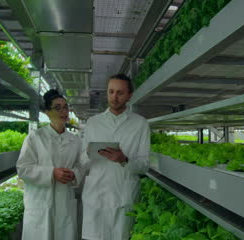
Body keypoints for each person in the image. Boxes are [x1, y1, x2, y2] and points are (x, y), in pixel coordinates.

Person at [81, 74, 150, 240]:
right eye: (111, 92)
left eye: (120, 93)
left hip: (122, 196)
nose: (114, 97)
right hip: (96, 194)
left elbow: (144, 165)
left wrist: (124, 160)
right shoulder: (93, 122)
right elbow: (82, 161)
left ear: (129, 95)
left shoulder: (140, 124)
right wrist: (87, 154)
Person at [17, 89, 83, 240]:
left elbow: (81, 166)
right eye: (57, 107)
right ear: (47, 112)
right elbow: (23, 168)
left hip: (64, 202)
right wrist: (52, 173)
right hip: (41, 202)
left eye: (65, 107)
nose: (63, 111)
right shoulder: (35, 137)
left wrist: (74, 174)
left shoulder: (75, 141)